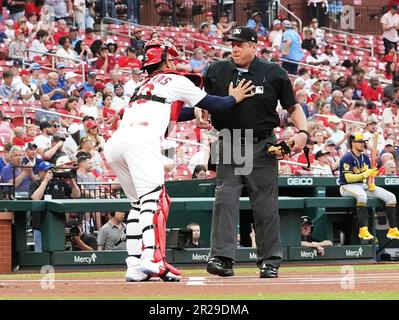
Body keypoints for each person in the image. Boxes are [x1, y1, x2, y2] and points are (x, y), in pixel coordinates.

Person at [104, 38, 255, 282]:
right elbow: (213, 103)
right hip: (141, 140)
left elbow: (170, 111)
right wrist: (234, 98)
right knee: (156, 200)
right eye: (171, 58)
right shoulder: (174, 79)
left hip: (117, 143)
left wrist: (193, 113)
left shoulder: (142, 85)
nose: (173, 62)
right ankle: (153, 259)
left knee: (137, 205)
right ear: (164, 61)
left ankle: (134, 263)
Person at [203, 27, 307, 279]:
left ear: (254, 46)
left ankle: (269, 261)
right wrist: (201, 111)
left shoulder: (272, 72)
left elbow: (292, 106)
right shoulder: (217, 70)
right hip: (229, 141)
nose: (235, 48)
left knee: (265, 206)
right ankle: (222, 258)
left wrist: (303, 131)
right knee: (225, 200)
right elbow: (201, 99)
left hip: (262, 144)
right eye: (232, 44)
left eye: (240, 44)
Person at [339, 132, 399, 240]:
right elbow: (347, 178)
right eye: (360, 142)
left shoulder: (365, 158)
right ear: (353, 143)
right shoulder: (347, 157)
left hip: (362, 185)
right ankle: (363, 230)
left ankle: (393, 230)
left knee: (391, 198)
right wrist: (364, 174)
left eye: (363, 142)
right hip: (347, 186)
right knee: (362, 196)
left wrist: (371, 179)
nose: (362, 144)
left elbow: (368, 175)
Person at [29, 160, 81, 251]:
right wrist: (45, 181)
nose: (50, 173)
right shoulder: (35, 183)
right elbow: (35, 198)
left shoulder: (59, 183)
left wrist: (71, 179)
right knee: (40, 252)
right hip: (40, 225)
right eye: (47, 171)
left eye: (51, 170)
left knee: (57, 252)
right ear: (40, 172)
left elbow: (76, 195)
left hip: (57, 224)